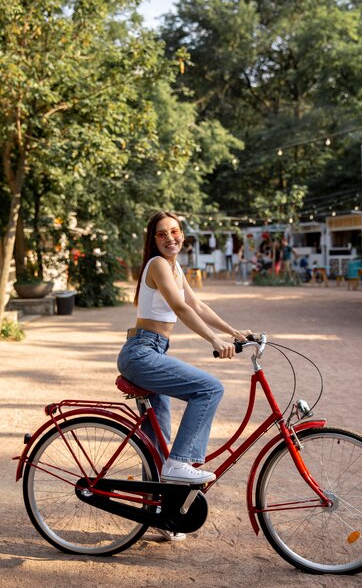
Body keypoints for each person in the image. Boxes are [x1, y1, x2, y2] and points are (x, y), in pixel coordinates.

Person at [117, 211, 251, 539]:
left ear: (182, 235)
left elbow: (198, 305)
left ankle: (162, 515)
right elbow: (181, 309)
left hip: (152, 352)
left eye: (175, 231)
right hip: (141, 353)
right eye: (162, 234)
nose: (170, 238)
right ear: (154, 240)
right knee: (209, 388)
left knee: (156, 441)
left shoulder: (174, 268)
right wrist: (214, 341)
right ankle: (182, 463)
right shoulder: (158, 265)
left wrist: (235, 332)